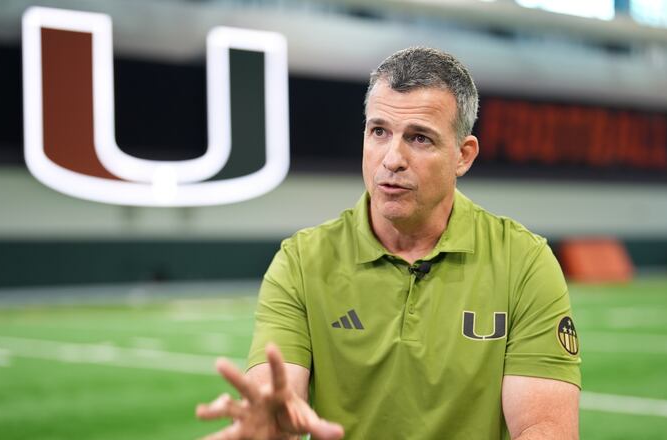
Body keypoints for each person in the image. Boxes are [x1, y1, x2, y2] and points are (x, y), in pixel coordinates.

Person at [196, 47, 581, 440]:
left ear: (463, 156)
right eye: (379, 131)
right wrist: (271, 427)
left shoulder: (523, 262)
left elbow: (544, 430)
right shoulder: (301, 262)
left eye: (419, 138)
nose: (392, 159)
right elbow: (277, 394)